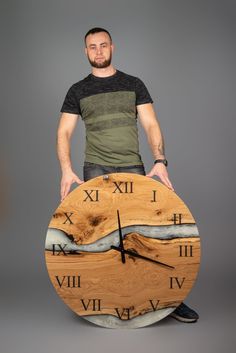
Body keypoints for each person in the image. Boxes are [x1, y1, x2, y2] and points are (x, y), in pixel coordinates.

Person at [57, 27, 199, 323]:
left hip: (133, 168)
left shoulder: (134, 84)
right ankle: (105, 301)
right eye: (92, 47)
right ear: (86, 52)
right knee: (98, 240)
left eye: (103, 45)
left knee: (146, 238)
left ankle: (170, 301)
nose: (98, 51)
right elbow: (64, 131)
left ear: (113, 47)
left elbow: (151, 124)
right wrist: (66, 170)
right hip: (95, 171)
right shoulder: (77, 90)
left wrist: (160, 161)